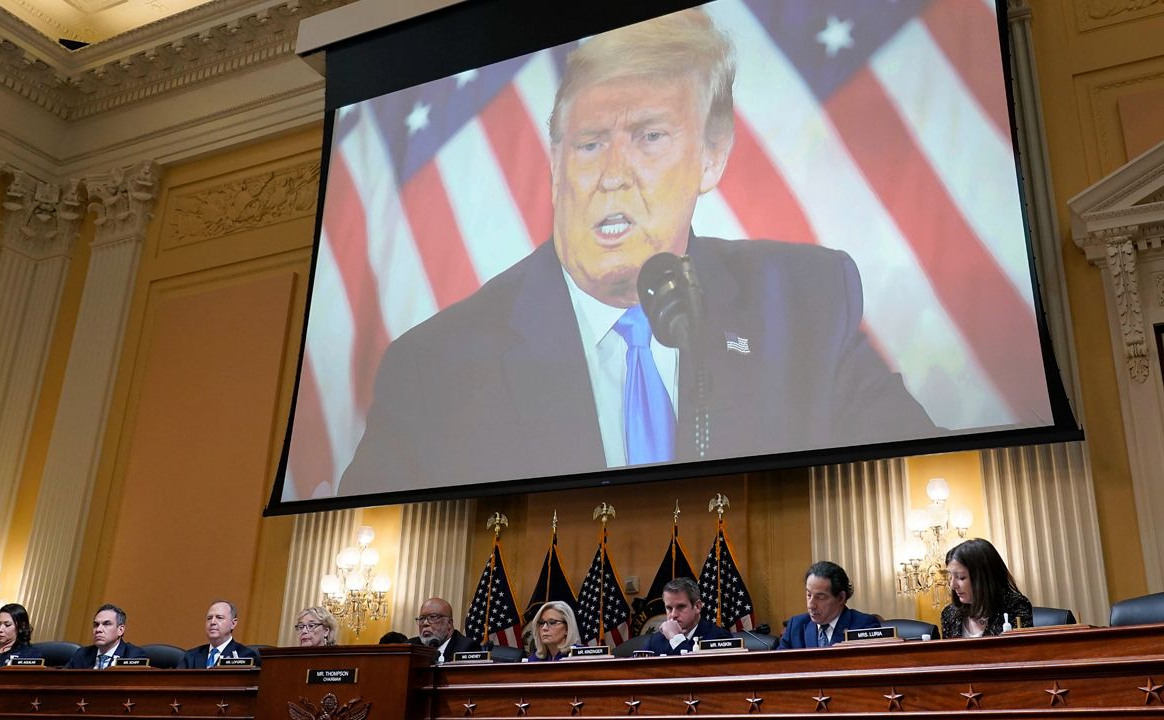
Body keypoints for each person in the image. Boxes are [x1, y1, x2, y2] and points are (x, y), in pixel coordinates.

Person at [340, 7, 933, 495]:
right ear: (555, 163)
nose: (613, 176)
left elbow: (912, 465)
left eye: (650, 137)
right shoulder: (436, 367)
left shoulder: (804, 300)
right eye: (592, 143)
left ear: (712, 154)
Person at [941, 538, 1032, 638]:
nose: (952, 585)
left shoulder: (1016, 606)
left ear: (983, 577)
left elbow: (1021, 651)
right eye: (950, 577)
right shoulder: (949, 614)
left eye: (961, 577)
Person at [779, 561, 880, 649]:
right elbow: (777, 667)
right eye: (809, 595)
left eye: (820, 597)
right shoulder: (796, 626)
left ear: (841, 598)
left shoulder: (865, 626)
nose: (811, 605)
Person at [646, 577, 731, 655]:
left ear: (697, 607)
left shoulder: (720, 638)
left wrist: (676, 638)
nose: (673, 615)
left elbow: (697, 669)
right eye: (669, 608)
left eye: (681, 607)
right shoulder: (655, 641)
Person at [176, 600, 261, 668]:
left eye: (219, 618)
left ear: (233, 623)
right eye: (209, 618)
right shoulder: (191, 656)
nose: (212, 622)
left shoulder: (244, 655)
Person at [65, 603, 149, 668]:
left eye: (106, 624)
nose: (98, 630)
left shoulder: (133, 656)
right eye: (96, 625)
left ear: (120, 630)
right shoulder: (82, 654)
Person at [407, 597, 480, 663]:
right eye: (422, 618)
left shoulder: (467, 647)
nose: (425, 623)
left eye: (432, 617)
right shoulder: (410, 646)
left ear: (449, 623)